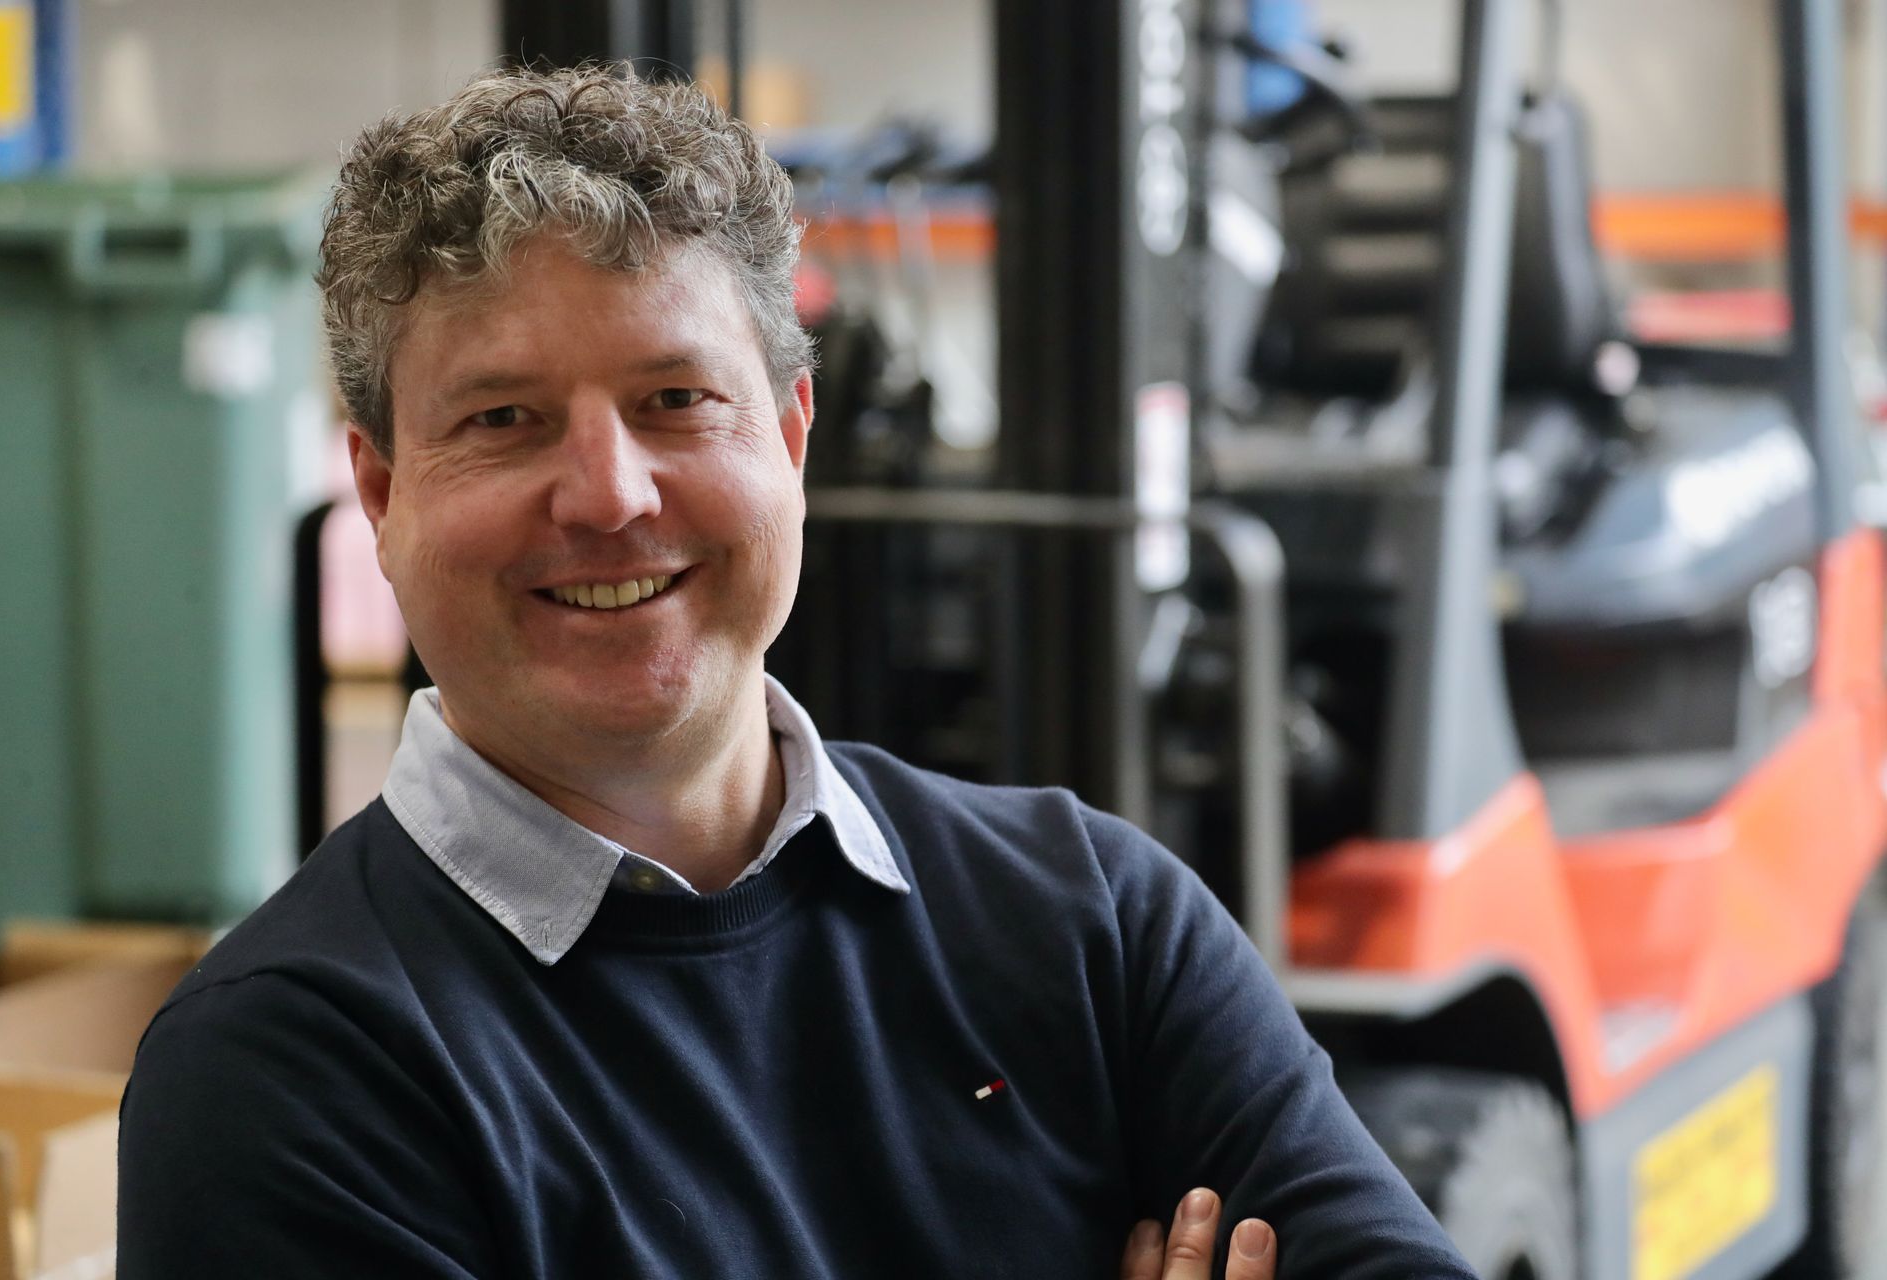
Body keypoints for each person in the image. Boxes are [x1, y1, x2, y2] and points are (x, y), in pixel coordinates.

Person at [116, 65, 1478, 1279]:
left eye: (675, 401)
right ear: (379, 487)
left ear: (793, 437)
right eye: (505, 419)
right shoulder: (285, 1077)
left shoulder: (1095, 927)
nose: (608, 493)